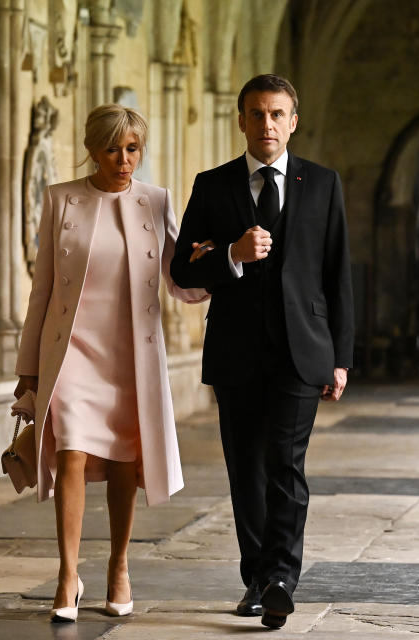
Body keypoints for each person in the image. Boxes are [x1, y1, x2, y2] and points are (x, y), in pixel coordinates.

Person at [170, 74, 354, 630]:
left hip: (303, 351)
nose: (267, 123)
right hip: (236, 350)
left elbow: (336, 273)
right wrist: (231, 252)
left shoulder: (322, 183)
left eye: (278, 114)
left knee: (285, 463)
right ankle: (257, 578)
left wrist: (341, 357)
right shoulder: (212, 184)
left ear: (293, 121)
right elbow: (182, 267)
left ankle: (280, 576)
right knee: (244, 468)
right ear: (242, 120)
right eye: (257, 114)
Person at [13, 104, 208, 623]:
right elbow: (42, 291)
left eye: (132, 149)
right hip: (72, 349)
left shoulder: (155, 201)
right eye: (113, 149)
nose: (124, 160)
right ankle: (67, 574)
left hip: (130, 353)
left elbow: (179, 280)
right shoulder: (61, 200)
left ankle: (119, 567)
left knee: (125, 461)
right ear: (92, 149)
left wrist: (221, 261)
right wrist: (27, 369)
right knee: (71, 452)